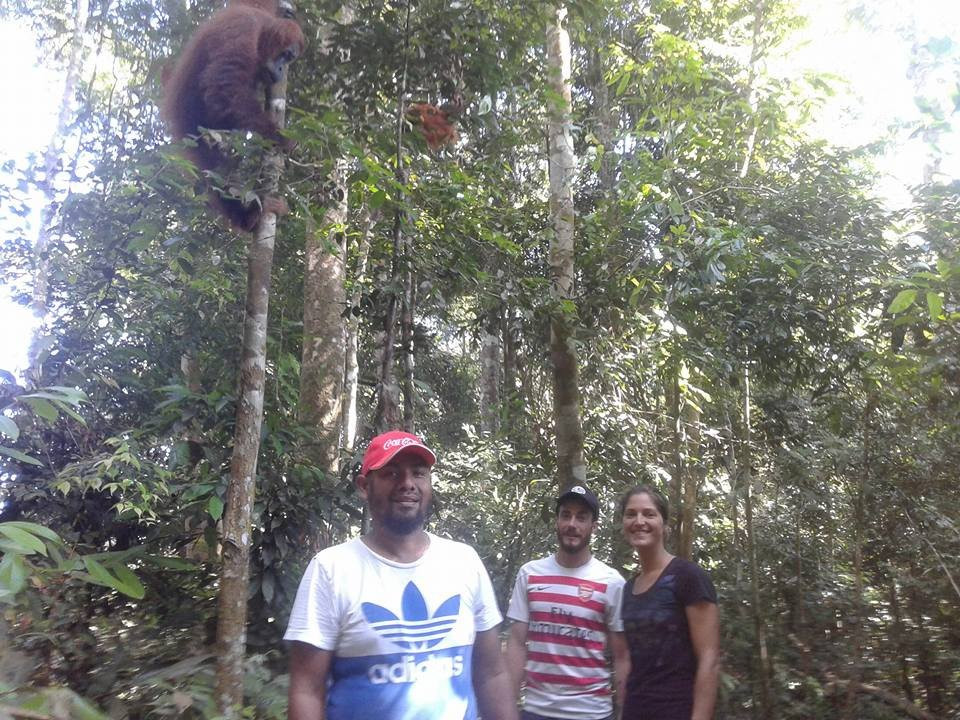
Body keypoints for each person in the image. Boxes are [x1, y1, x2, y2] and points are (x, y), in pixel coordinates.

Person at [285, 429, 518, 720]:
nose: (408, 484)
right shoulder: (331, 569)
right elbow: (306, 690)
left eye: (418, 473)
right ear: (364, 486)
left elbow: (491, 674)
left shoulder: (464, 561)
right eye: (392, 473)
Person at [506, 484, 630, 720]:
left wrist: (624, 711)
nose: (572, 524)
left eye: (581, 517)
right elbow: (516, 643)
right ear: (557, 521)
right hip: (536, 711)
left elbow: (622, 656)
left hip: (591, 713)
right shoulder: (530, 574)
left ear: (593, 526)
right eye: (566, 515)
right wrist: (508, 708)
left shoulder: (612, 582)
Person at [618, 485, 720, 720]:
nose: (639, 521)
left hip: (677, 710)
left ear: (664, 525)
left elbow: (709, 659)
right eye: (631, 514)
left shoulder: (688, 577)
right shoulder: (628, 588)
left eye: (649, 514)